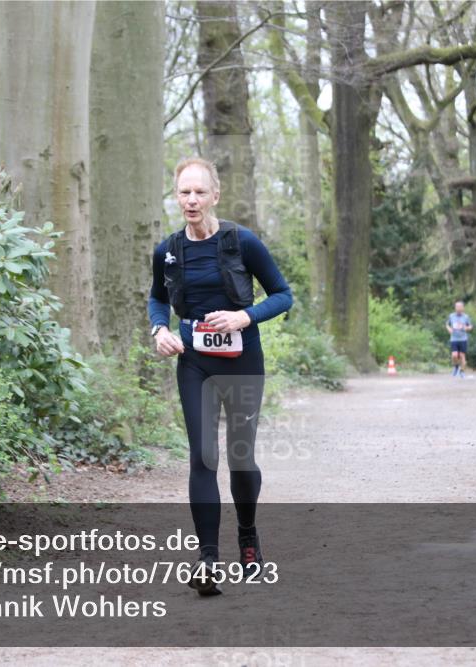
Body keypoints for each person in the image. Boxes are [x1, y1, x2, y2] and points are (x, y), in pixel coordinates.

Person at [148, 157, 293, 596]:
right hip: (195, 362)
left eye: (199, 192)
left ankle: (247, 535)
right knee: (203, 455)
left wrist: (244, 317)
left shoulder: (242, 242)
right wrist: (160, 330)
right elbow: (157, 299)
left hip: (243, 360)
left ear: (215, 195)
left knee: (240, 458)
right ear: (177, 196)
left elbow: (283, 295)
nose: (191, 200)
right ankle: (207, 559)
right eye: (183, 192)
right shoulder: (168, 250)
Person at [446, 300, 473, 378]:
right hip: (454, 338)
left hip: (463, 339)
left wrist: (466, 328)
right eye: (457, 307)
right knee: (454, 355)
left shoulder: (466, 317)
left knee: (462, 356)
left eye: (460, 307)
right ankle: (456, 366)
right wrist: (449, 329)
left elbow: (471, 326)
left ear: (463, 308)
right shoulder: (451, 316)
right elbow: (447, 324)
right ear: (455, 308)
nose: (458, 308)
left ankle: (462, 371)